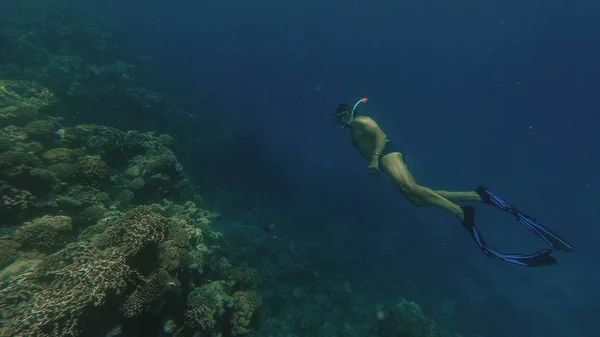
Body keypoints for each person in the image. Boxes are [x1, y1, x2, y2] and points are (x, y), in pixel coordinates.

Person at [334, 98, 574, 267]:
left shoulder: (362, 121)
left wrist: (375, 159)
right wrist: (375, 168)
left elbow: (379, 136)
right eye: (338, 119)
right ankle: (478, 196)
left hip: (387, 153)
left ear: (351, 112)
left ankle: (460, 213)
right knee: (416, 199)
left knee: (411, 189)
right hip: (384, 160)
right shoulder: (353, 131)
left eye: (343, 115)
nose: (341, 120)